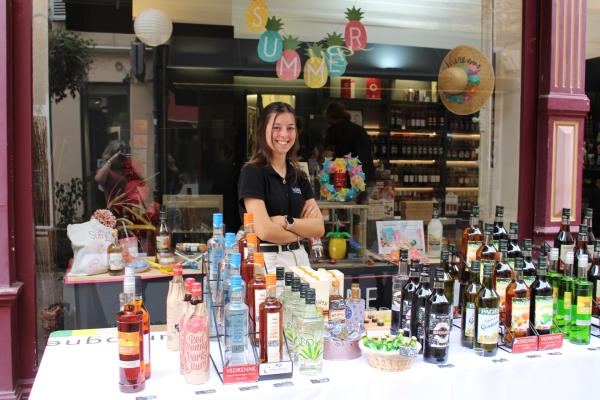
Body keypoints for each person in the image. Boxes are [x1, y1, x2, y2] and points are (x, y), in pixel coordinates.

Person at [238, 102, 325, 272]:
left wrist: (286, 222)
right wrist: (301, 233)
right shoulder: (253, 173)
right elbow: (264, 231)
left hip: (300, 259)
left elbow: (318, 228)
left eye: (290, 128)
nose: (284, 134)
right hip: (267, 261)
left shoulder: (299, 175)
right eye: (276, 127)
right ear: (263, 129)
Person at [322, 102, 376, 183]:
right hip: (368, 178)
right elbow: (370, 154)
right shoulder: (360, 130)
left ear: (329, 116)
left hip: (348, 180)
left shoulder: (333, 130)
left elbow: (327, 156)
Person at [94, 140, 131, 213]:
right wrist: (111, 160)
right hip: (114, 212)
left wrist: (130, 163)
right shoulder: (107, 171)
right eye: (120, 155)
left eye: (124, 155)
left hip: (130, 211)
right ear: (111, 155)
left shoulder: (127, 170)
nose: (121, 158)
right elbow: (99, 179)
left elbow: (141, 184)